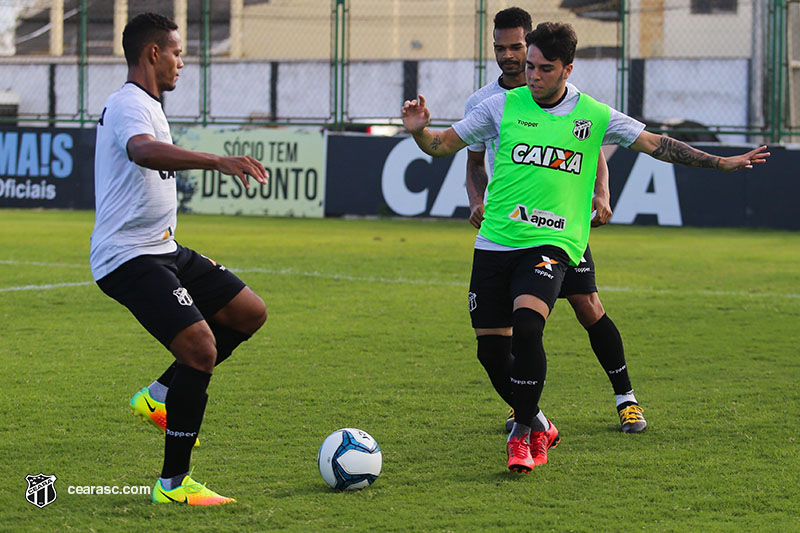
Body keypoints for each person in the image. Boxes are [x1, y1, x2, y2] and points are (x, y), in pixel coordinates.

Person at [402, 21, 769, 474]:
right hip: (496, 241)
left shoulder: (593, 114)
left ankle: (525, 434)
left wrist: (721, 162)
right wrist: (420, 132)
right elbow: (442, 146)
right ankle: (539, 422)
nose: (532, 75)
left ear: (567, 69)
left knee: (532, 326)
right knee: (491, 353)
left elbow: (657, 144)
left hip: (554, 240)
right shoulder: (499, 107)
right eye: (530, 66)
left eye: (544, 68)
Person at [90, 12, 270, 505]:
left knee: (248, 312)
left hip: (163, 247)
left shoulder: (148, 103)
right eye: (177, 52)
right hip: (128, 256)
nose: (181, 63)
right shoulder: (129, 103)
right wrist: (216, 160)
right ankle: (173, 485)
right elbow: (143, 151)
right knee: (200, 350)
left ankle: (158, 395)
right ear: (153, 53)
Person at [465, 7, 645, 436]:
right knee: (510, 329)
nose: (509, 56)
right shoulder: (484, 103)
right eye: (500, 48)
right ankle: (526, 409)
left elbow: (589, 145)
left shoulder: (567, 94)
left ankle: (626, 399)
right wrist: (477, 198)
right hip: (509, 227)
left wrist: (601, 191)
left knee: (588, 306)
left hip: (558, 225)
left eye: (516, 47)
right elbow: (473, 161)